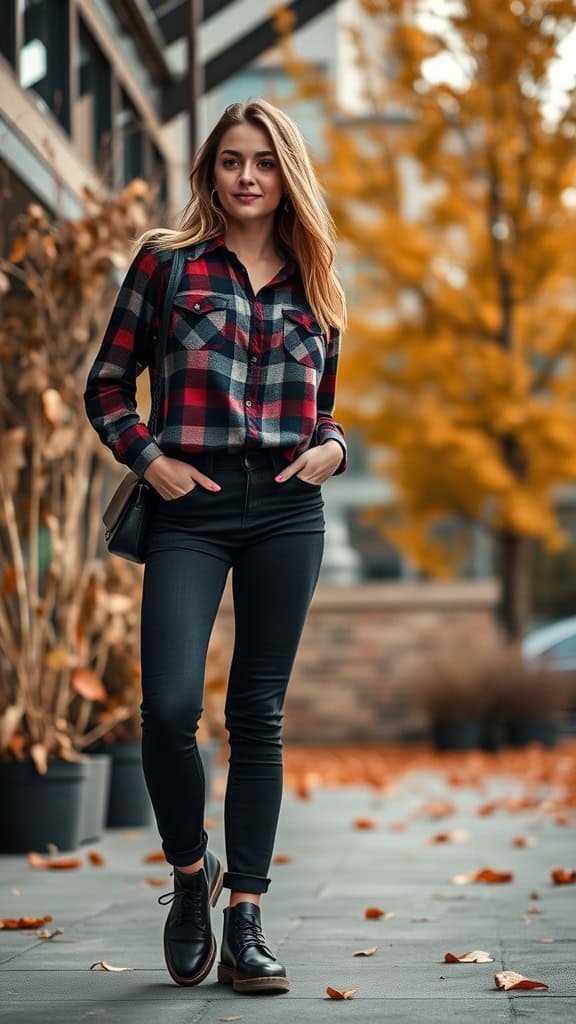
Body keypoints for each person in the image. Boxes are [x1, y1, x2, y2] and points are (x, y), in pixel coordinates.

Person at [83, 98, 347, 995]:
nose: (246, 176)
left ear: (287, 175)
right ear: (211, 170)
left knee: (257, 718)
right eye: (232, 160)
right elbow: (109, 387)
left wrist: (336, 450)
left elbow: (328, 409)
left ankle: (247, 919)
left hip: (284, 508)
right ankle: (192, 880)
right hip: (188, 506)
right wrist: (149, 461)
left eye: (264, 162)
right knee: (165, 710)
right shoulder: (167, 266)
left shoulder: (316, 280)